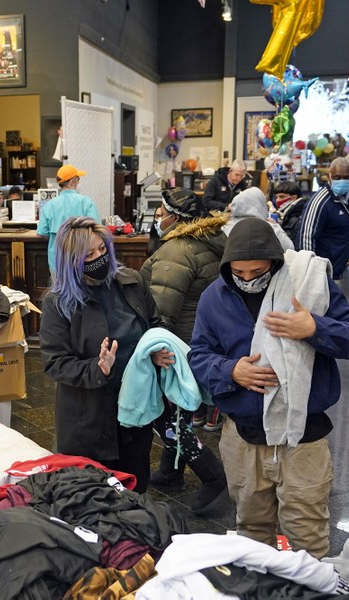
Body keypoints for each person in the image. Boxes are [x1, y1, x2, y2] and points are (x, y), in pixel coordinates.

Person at [189, 218, 349, 558]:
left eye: (256, 272)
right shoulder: (215, 297)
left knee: (308, 536)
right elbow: (198, 355)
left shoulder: (307, 284)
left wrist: (315, 326)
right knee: (250, 531)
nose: (248, 280)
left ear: (274, 262)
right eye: (238, 273)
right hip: (244, 437)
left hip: (303, 436)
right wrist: (231, 371)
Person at [40, 217, 174, 493]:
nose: (98, 258)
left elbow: (154, 325)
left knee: (135, 485)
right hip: (89, 415)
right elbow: (55, 362)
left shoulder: (131, 282)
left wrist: (155, 351)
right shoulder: (59, 303)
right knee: (93, 493)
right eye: (88, 255)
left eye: (102, 249)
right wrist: (97, 368)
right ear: (70, 260)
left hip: (135, 406)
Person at [140, 188, 229, 513]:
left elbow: (161, 310)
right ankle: (171, 472)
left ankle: (213, 476)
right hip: (200, 343)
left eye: (160, 212)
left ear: (174, 216)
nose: (158, 218)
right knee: (178, 411)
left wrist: (152, 349)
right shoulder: (209, 241)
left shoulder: (176, 252)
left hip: (176, 346)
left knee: (165, 416)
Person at [296, 157, 349, 280]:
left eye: (346, 177)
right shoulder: (320, 202)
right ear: (328, 176)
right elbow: (306, 239)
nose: (342, 181)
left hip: (337, 269)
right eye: (337, 177)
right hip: (320, 273)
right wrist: (310, 273)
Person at [37, 165, 102, 275]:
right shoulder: (86, 202)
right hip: (83, 259)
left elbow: (41, 234)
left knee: (59, 291)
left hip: (57, 262)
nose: (78, 182)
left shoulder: (49, 205)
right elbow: (97, 230)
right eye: (78, 179)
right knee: (83, 291)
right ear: (72, 182)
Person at [222, 187, 295, 251]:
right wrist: (276, 226)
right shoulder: (270, 228)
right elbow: (289, 249)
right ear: (261, 205)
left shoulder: (224, 227)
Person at [273, 181, 308, 246]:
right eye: (276, 197)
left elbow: (288, 243)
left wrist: (275, 226)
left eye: (281, 197)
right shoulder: (290, 214)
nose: (277, 200)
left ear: (294, 198)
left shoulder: (296, 218)